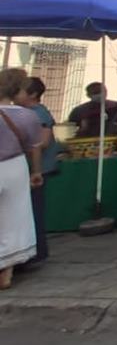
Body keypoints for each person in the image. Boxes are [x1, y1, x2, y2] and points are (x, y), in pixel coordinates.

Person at [0, 68, 45, 290]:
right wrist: (36, 171)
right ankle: (6, 271)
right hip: (13, 166)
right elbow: (34, 147)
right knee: (14, 217)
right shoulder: (28, 116)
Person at [15, 77, 60, 268]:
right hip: (31, 168)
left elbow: (43, 142)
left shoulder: (38, 113)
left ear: (32, 94)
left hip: (38, 168)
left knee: (34, 209)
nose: (16, 95)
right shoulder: (26, 113)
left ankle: (36, 251)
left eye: (20, 91)